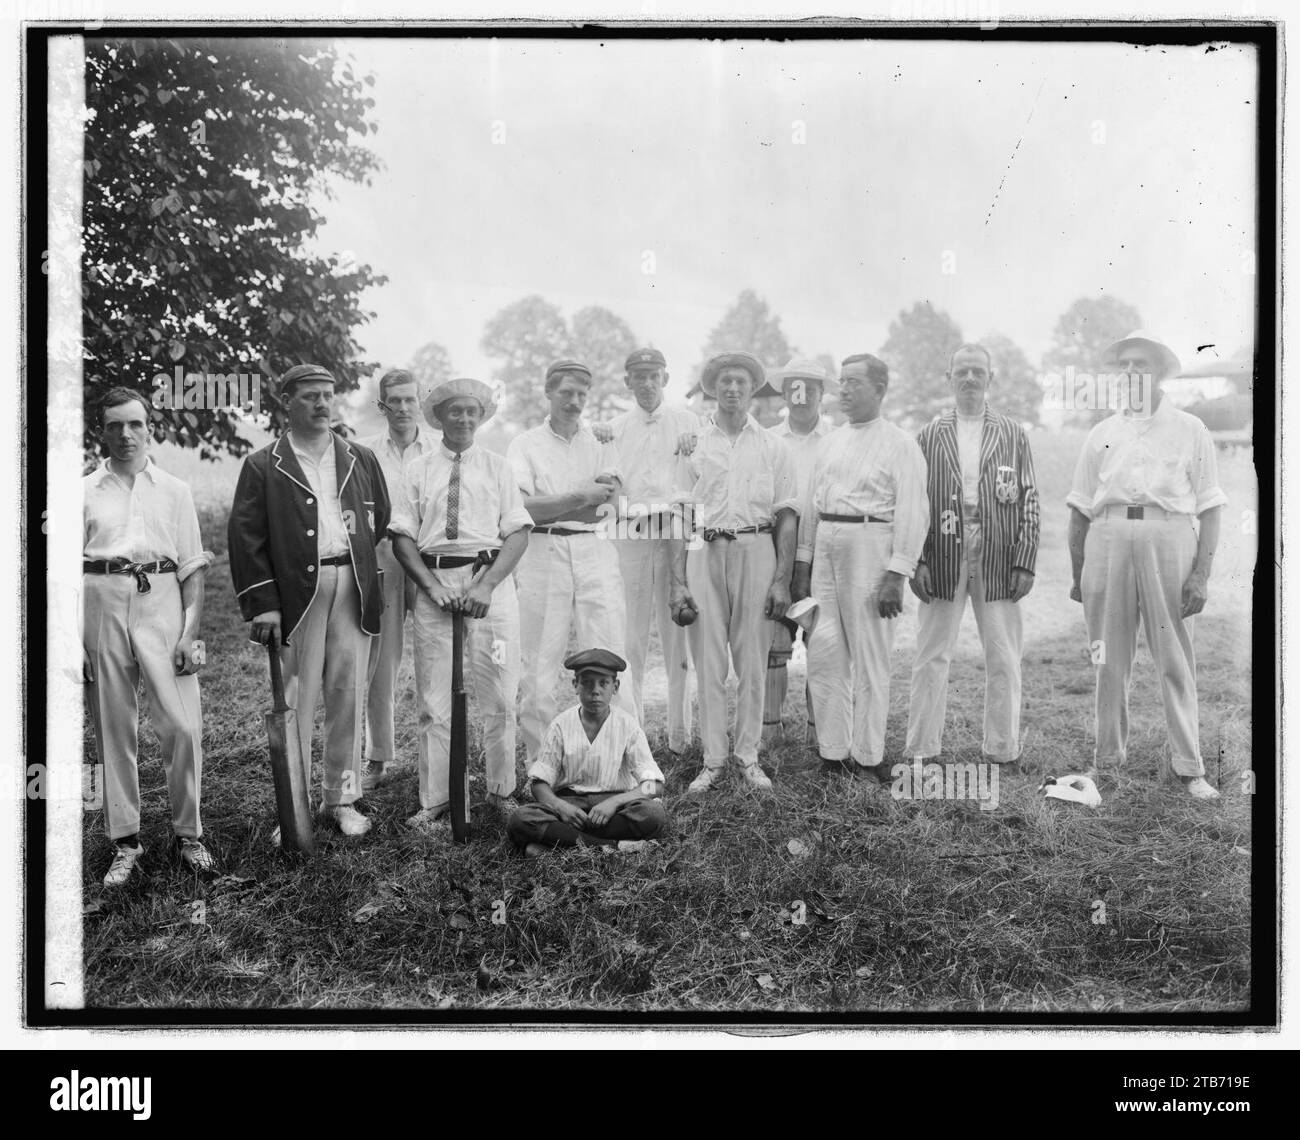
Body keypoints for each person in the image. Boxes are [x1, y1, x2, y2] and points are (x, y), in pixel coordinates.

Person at [228, 363, 391, 839]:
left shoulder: (359, 457)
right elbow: (247, 538)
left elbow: (376, 518)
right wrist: (264, 604)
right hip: (297, 596)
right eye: (309, 396)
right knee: (295, 700)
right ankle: (292, 809)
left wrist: (349, 557)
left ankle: (342, 798)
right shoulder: (263, 464)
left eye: (327, 395)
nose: (322, 404)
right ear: (287, 402)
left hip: (353, 585)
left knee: (347, 693)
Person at [1066, 331, 1226, 800]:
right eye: (1125, 366)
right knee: (1107, 657)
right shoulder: (1102, 433)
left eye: (1142, 365)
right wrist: (1079, 575)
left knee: (1174, 655)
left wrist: (1201, 574)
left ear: (1159, 373)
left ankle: (1190, 766)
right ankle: (1108, 760)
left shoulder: (1189, 428)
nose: (1132, 373)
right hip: (1109, 537)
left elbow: (1212, 505)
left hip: (1169, 536)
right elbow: (1078, 509)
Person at [83, 387, 213, 886]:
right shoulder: (84, 490)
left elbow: (193, 568)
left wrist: (188, 633)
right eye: (114, 425)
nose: (125, 434)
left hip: (162, 602)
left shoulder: (174, 489)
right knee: (114, 725)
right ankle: (126, 840)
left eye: (134, 424)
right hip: (102, 600)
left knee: (182, 724)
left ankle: (189, 834)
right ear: (102, 430)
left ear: (149, 427)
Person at [388, 377, 532, 829]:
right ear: (440, 417)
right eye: (455, 411)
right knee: (434, 700)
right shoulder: (419, 469)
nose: (464, 419)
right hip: (437, 589)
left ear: (482, 416)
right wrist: (432, 587)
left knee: (501, 692)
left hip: (491, 590)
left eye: (472, 411)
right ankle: (437, 799)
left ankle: (501, 789)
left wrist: (486, 586)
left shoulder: (497, 466)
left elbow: (519, 531)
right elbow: (402, 537)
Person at [792, 354, 928, 782]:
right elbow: (813, 507)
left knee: (870, 657)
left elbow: (913, 511)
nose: (844, 390)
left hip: (872, 545)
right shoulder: (829, 442)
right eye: (842, 383)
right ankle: (833, 753)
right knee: (826, 652)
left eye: (854, 383)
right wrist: (802, 563)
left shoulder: (900, 443)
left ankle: (868, 757)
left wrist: (896, 573)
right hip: (827, 548)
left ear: (880, 390)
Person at [669, 352, 798, 793]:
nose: (732, 389)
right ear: (712, 389)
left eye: (741, 381)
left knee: (751, 659)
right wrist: (678, 581)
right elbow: (680, 516)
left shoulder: (773, 447)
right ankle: (714, 759)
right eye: (724, 381)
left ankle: (747, 756)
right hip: (705, 549)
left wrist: (781, 577)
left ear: (752, 389)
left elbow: (786, 515)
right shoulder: (692, 445)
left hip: (756, 547)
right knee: (708, 658)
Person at [906, 344, 1041, 767]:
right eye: (961, 371)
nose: (969, 378)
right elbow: (915, 502)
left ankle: (1002, 747)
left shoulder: (1013, 433)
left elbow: (1030, 499)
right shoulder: (928, 435)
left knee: (1002, 654)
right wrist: (918, 559)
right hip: (943, 545)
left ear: (990, 378)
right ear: (949, 378)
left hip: (998, 549)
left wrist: (1024, 559)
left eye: (977, 371)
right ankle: (922, 747)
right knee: (932, 653)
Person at [507, 360, 627, 767]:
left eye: (581, 394)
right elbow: (524, 509)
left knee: (609, 650)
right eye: (566, 393)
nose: (574, 402)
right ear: (548, 392)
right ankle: (540, 765)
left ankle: (615, 760)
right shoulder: (525, 444)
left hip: (595, 551)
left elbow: (607, 509)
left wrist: (556, 503)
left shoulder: (601, 442)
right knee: (538, 664)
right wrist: (579, 497)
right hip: (543, 553)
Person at [596, 347, 699, 752]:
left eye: (653, 375)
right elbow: (609, 479)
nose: (646, 383)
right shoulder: (615, 427)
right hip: (632, 535)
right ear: (628, 382)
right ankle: (632, 732)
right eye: (638, 376)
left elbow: (702, 476)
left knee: (678, 635)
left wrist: (696, 442)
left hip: (675, 535)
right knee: (631, 637)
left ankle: (680, 737)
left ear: (665, 379)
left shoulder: (691, 423)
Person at [506, 649, 667, 857]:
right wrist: (560, 806)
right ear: (575, 685)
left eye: (603, 683)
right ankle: (611, 848)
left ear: (615, 687)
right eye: (587, 683)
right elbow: (539, 784)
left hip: (613, 811)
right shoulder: (561, 725)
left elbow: (653, 784)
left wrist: (614, 802)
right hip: (571, 808)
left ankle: (563, 846)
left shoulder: (627, 726)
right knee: (520, 818)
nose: (595, 691)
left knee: (653, 814)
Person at [359, 368, 431, 792]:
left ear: (419, 400)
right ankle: (377, 758)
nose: (402, 408)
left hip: (430, 563)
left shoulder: (441, 450)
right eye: (394, 401)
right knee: (380, 663)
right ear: (382, 405)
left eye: (409, 399)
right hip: (384, 559)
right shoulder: (365, 453)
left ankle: (437, 756)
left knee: (437, 659)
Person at [763, 357, 838, 747]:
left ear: (822, 394)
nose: (802, 394)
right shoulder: (768, 441)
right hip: (776, 554)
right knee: (775, 643)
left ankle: (819, 739)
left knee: (821, 644)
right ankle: (769, 737)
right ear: (784, 391)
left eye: (810, 386)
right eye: (794, 385)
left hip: (824, 559)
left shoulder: (838, 442)